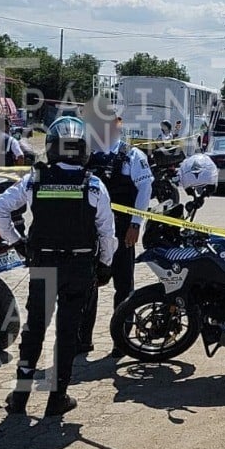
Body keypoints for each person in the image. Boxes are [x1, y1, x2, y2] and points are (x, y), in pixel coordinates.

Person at [0, 117, 117, 416]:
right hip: (79, 268)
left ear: (51, 147)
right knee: (68, 332)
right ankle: (57, 398)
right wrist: (105, 265)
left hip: (44, 264)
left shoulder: (35, 179)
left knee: (35, 329)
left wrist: (17, 241)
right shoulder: (94, 184)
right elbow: (106, 232)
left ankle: (20, 397)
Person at [80, 117, 154, 358]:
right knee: (88, 285)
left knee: (123, 286)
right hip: (91, 231)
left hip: (122, 231)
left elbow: (145, 190)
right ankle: (83, 339)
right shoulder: (88, 154)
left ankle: (121, 340)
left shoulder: (132, 155)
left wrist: (136, 224)